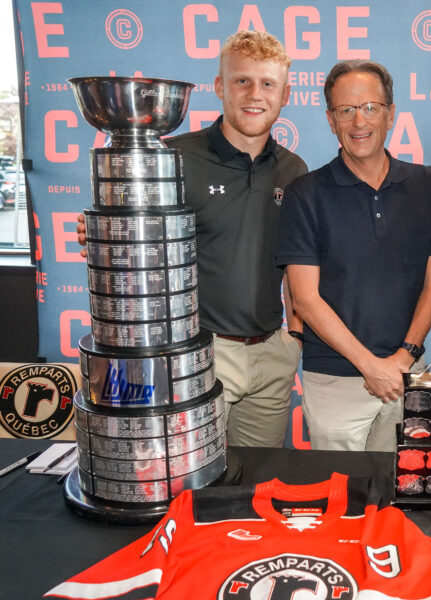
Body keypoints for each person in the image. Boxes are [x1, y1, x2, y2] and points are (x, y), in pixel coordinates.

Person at [77, 31, 307, 446]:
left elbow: (298, 261)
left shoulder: (294, 169)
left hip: (274, 351)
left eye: (268, 83)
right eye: (242, 80)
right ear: (220, 86)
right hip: (199, 353)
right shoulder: (172, 158)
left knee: (260, 484)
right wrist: (103, 234)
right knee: (196, 481)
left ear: (285, 94)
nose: (255, 94)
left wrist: (295, 336)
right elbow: (129, 238)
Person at [276, 60, 431, 452]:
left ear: (390, 113)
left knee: (401, 497)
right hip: (335, 379)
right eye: (345, 110)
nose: (359, 121)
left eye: (370, 107)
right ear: (331, 119)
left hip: (409, 372)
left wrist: (404, 357)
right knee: (342, 500)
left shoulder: (425, 185)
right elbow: (304, 297)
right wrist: (372, 366)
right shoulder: (305, 193)